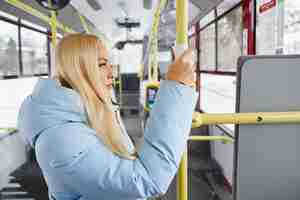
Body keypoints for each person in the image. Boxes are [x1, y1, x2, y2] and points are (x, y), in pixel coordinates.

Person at [17, 34, 198, 200]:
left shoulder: (87, 110)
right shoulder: (60, 141)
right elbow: (146, 179)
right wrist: (177, 87)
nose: (111, 73)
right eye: (102, 65)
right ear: (79, 70)